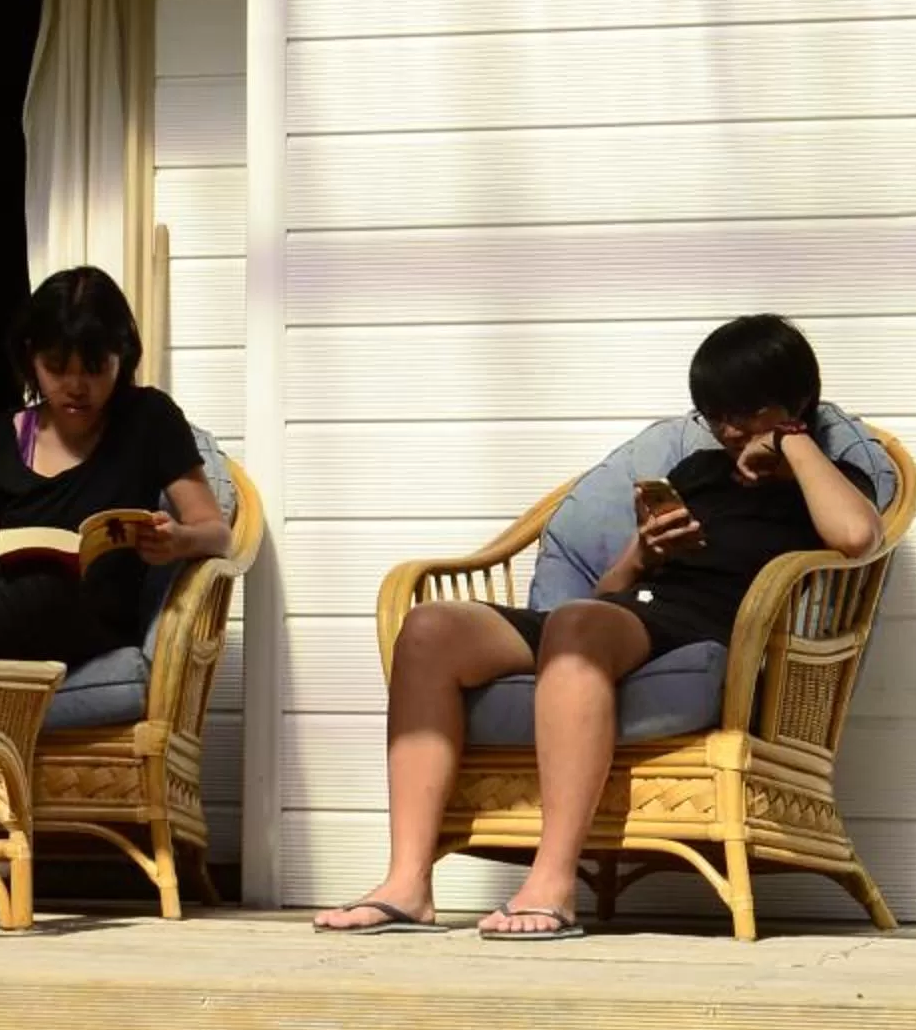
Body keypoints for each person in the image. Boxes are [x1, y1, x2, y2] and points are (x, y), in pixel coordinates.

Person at [313, 314, 881, 942]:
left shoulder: (827, 478)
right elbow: (609, 593)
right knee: (428, 628)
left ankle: (552, 885)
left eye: (745, 413)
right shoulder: (697, 472)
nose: (728, 430)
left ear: (793, 404)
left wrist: (792, 444)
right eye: (716, 415)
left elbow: (856, 535)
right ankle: (407, 884)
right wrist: (645, 550)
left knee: (578, 624)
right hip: (629, 613)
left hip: (712, 631)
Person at [0, 265, 232, 667]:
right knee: (3, 603)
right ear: (31, 358)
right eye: (57, 368)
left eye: (95, 369)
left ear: (122, 356)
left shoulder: (150, 418)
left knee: (43, 593)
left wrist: (179, 540)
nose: (76, 386)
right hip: (4, 627)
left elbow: (217, 534)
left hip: (95, 623)